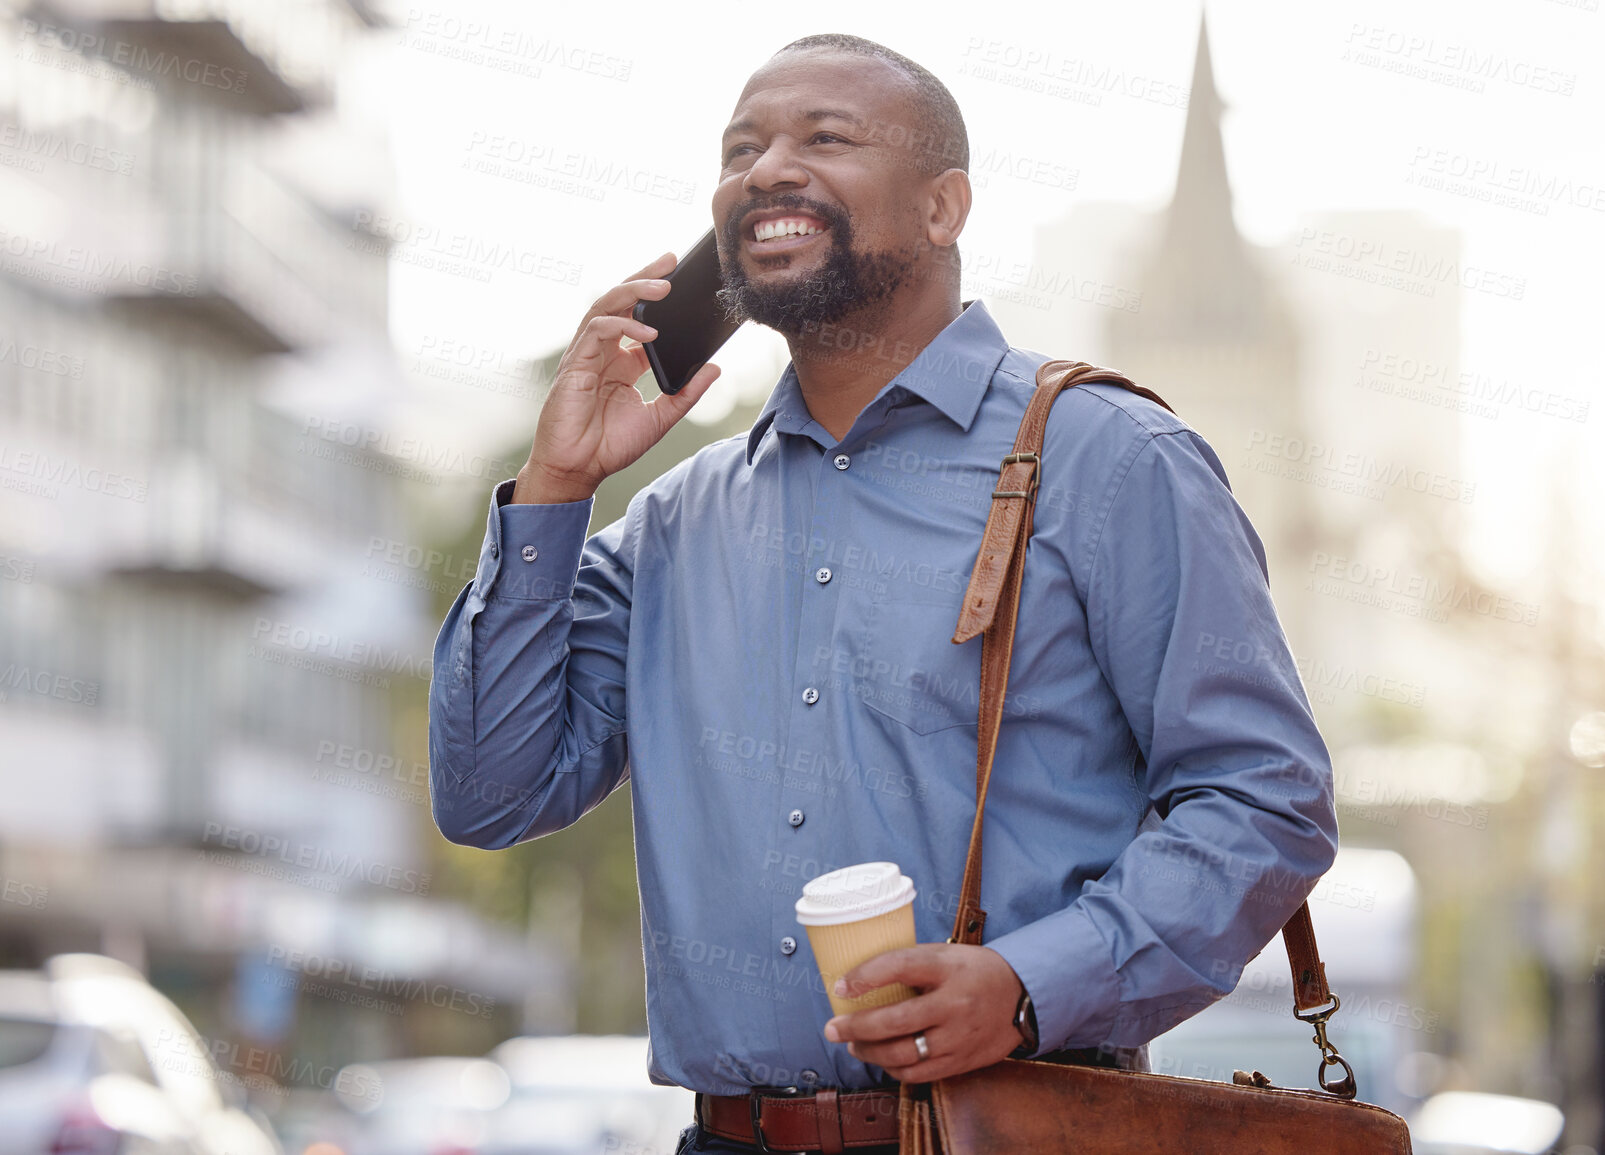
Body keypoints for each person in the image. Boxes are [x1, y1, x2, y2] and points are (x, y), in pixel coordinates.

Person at [428, 33, 1337, 1155]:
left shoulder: (1113, 462)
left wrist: (1025, 983)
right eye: (742, 147)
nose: (766, 169)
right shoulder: (669, 523)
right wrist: (558, 484)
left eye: (826, 138)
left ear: (944, 205)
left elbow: (1262, 800)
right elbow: (489, 795)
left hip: (1010, 1131)